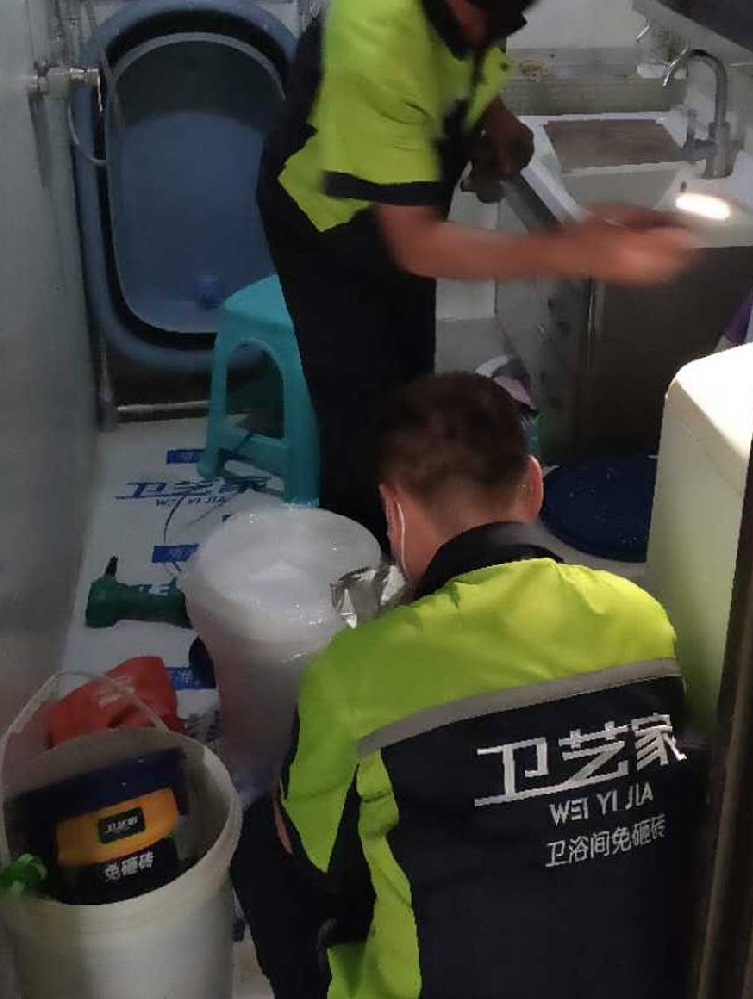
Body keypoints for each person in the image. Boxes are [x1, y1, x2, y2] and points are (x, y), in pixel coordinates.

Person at [231, 373, 707, 999]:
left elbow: (317, 863)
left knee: (262, 844)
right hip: (651, 980)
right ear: (534, 484)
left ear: (393, 511)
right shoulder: (638, 615)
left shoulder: (358, 672)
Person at [257, 0, 697, 537]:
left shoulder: (477, 12)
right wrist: (577, 250)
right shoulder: (377, 29)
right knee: (360, 418)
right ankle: (363, 555)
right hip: (323, 227)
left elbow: (470, 48)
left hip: (395, 215)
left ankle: (413, 530)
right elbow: (416, 244)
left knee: (409, 384)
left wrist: (496, 117)